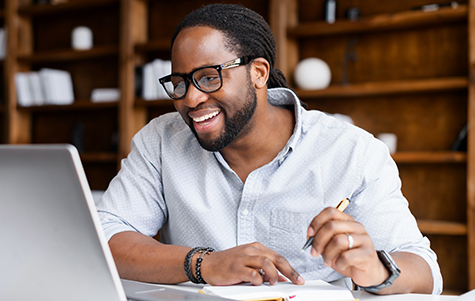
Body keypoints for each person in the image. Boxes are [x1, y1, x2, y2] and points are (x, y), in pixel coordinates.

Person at [96, 3, 442, 295]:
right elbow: (105, 236)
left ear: (259, 72)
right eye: (180, 82)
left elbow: (426, 272)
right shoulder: (160, 140)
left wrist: (376, 269)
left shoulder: (351, 151)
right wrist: (203, 263)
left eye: (209, 77)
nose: (191, 98)